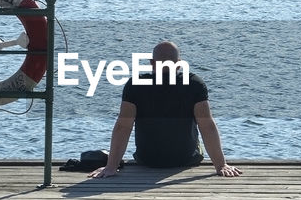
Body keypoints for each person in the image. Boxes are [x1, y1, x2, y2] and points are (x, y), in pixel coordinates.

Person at [89, 41, 242, 178]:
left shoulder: (135, 85)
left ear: (151, 63)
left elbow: (123, 127)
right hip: (186, 159)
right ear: (179, 64)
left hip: (147, 160)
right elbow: (207, 126)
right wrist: (221, 165)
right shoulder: (194, 84)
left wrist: (111, 167)